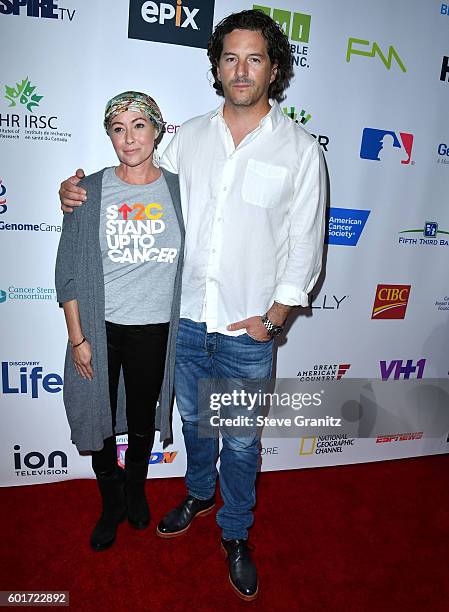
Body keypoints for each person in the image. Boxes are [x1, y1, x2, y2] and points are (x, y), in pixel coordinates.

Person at [58, 9, 326, 601]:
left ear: (274, 68)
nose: (241, 68)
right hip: (183, 324)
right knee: (198, 429)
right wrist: (77, 191)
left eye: (254, 57)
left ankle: (235, 534)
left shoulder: (301, 150)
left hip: (246, 330)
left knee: (241, 440)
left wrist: (276, 317)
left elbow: (305, 244)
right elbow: (140, 179)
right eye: (230, 57)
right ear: (216, 66)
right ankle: (199, 494)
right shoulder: (187, 138)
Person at [55, 91, 184, 552]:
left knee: (144, 418)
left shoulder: (179, 190)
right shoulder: (87, 191)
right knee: (101, 418)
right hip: (101, 330)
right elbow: (67, 271)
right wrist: (77, 339)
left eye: (138, 125)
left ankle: (135, 490)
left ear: (157, 129)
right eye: (117, 128)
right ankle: (111, 501)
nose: (129, 138)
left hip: (155, 330)